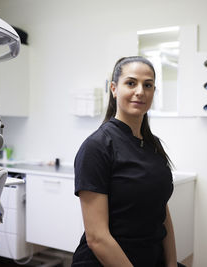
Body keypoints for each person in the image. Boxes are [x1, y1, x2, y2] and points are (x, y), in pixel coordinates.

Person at [71, 56, 183, 267]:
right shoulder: (97, 147)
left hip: (150, 257)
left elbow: (161, 210)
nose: (140, 91)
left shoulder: (153, 145)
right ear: (114, 89)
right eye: (131, 83)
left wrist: (171, 264)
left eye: (148, 85)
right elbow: (97, 238)